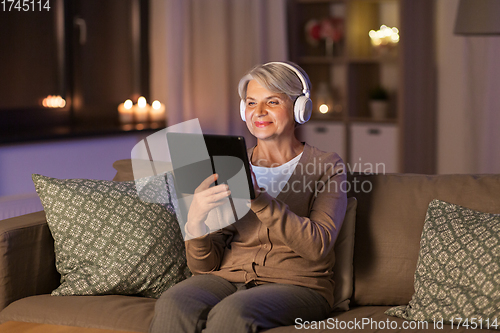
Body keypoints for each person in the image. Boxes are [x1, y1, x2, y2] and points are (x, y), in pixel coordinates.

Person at [150, 61, 347, 333]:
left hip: (299, 285)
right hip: (229, 278)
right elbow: (204, 268)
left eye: (273, 102)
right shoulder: (230, 163)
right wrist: (195, 224)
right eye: (252, 103)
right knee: (174, 300)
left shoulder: (327, 166)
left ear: (300, 109)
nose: (260, 112)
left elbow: (317, 246)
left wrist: (258, 199)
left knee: (233, 312)